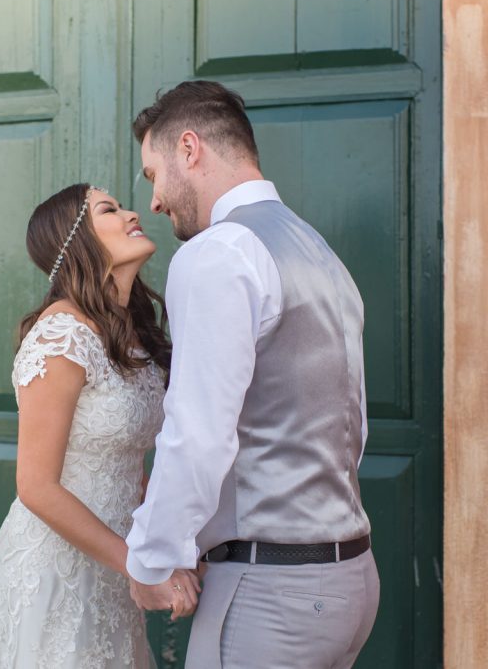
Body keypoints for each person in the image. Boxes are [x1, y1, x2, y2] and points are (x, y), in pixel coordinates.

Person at [124, 80, 380, 668]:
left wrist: (152, 560)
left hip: (272, 596)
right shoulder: (319, 253)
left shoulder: (219, 252)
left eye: (153, 174)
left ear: (190, 149)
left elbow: (198, 434)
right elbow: (352, 429)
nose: (156, 201)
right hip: (350, 582)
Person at [0, 184, 200, 669]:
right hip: (55, 572)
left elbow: (128, 470)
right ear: (75, 241)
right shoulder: (62, 335)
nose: (131, 214)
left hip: (113, 570)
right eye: (109, 209)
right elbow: (36, 487)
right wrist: (138, 564)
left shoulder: (132, 336)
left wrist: (167, 549)